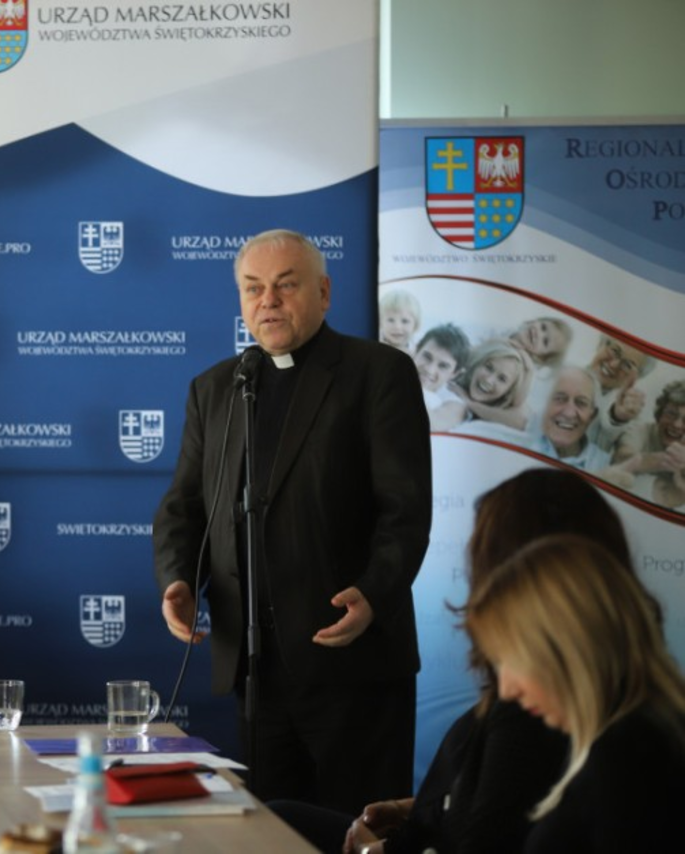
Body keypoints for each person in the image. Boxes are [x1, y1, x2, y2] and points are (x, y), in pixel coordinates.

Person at [153, 229, 432, 813]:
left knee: (360, 831)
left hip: (353, 663)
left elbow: (405, 510)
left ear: (323, 292)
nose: (268, 301)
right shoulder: (216, 388)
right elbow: (185, 506)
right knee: (274, 834)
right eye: (253, 289)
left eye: (285, 285)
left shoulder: (378, 373)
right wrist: (178, 579)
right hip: (256, 671)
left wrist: (374, 593)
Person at [274, 467, 636, 853]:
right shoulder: (592, 687)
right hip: (416, 831)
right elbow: (489, 801)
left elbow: (483, 834)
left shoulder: (530, 712)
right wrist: (409, 809)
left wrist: (373, 852)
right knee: (279, 817)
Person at [465, 534, 685, 852]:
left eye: (509, 659)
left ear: (566, 646)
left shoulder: (627, 757)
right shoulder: (642, 733)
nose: (507, 690)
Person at [601, 379, 685, 510]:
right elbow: (621, 458)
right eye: (671, 414)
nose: (677, 424)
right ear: (659, 413)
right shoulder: (641, 430)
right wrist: (664, 460)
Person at [529, 366, 609, 471]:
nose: (569, 413)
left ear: (592, 415)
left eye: (581, 403)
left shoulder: (605, 465)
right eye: (560, 399)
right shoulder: (523, 442)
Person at [586, 334, 656, 452]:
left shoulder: (631, 416)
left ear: (638, 377)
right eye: (615, 350)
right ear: (600, 344)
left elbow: (613, 431)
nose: (614, 365)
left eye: (628, 365)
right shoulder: (561, 374)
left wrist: (618, 418)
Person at [449, 339, 534, 431]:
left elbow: (521, 422)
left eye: (502, 379)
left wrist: (470, 403)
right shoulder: (455, 379)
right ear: (478, 364)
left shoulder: (509, 410)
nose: (488, 380)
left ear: (508, 392)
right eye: (488, 367)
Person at [412, 323, 471, 432]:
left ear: (455, 374)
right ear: (416, 351)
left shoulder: (454, 402)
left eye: (443, 366)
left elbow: (432, 425)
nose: (430, 369)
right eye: (427, 357)